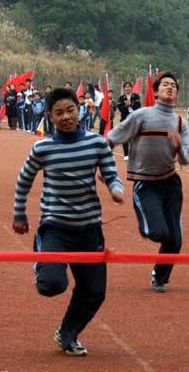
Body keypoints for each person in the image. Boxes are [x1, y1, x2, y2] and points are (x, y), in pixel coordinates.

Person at [13, 87, 124, 356]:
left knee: (94, 292)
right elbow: (24, 180)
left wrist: (115, 189)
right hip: (56, 226)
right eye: (59, 113)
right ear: (50, 116)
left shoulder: (97, 143)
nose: (66, 117)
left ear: (80, 109)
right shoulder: (43, 148)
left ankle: (68, 332)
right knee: (52, 285)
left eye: (70, 110)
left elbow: (111, 173)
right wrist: (19, 213)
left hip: (89, 228)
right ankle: (43, 259)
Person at [107, 72, 189, 293]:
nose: (170, 88)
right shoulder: (142, 116)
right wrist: (100, 160)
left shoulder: (179, 122)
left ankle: (159, 275)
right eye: (165, 84)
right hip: (145, 184)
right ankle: (148, 225)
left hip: (171, 184)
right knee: (159, 233)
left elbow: (187, 158)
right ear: (155, 92)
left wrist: (178, 147)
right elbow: (114, 136)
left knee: (175, 240)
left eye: (174, 86)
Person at [116, 81, 142, 161]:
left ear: (131, 88)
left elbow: (138, 106)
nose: (127, 88)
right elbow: (120, 108)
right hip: (125, 119)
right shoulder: (121, 98)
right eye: (126, 87)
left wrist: (130, 104)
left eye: (129, 86)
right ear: (124, 89)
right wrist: (126, 106)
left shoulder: (136, 96)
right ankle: (126, 154)